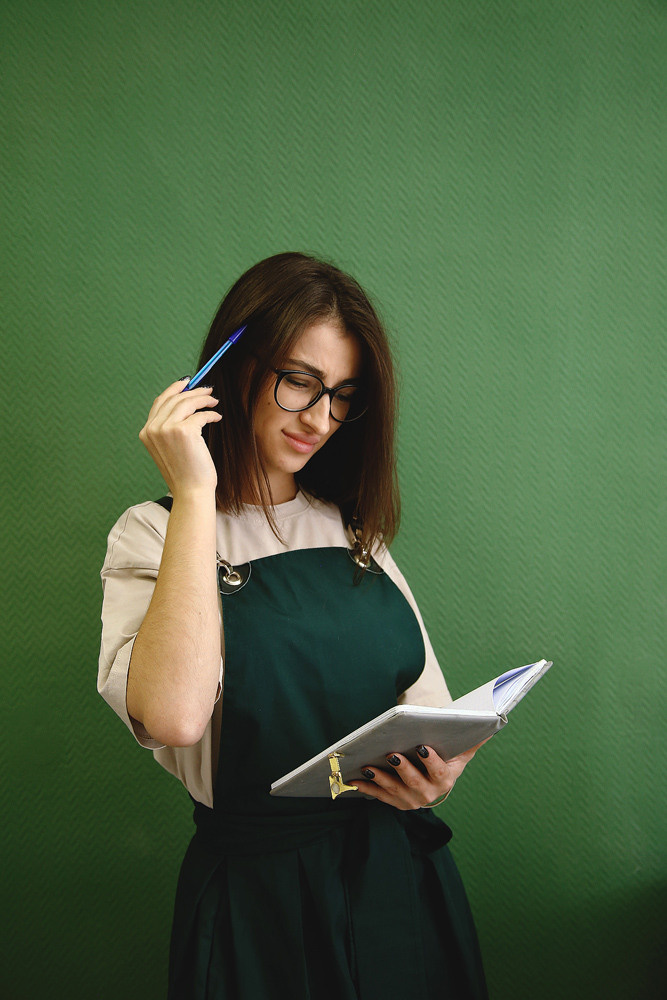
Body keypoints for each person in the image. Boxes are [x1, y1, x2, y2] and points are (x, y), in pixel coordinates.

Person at [98, 251, 489, 1000]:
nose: (319, 418)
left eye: (342, 395)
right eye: (299, 382)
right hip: (259, 907)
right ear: (234, 369)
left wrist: (432, 782)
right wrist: (195, 490)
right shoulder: (151, 536)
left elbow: (431, 712)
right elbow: (174, 717)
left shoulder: (353, 532)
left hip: (398, 883)